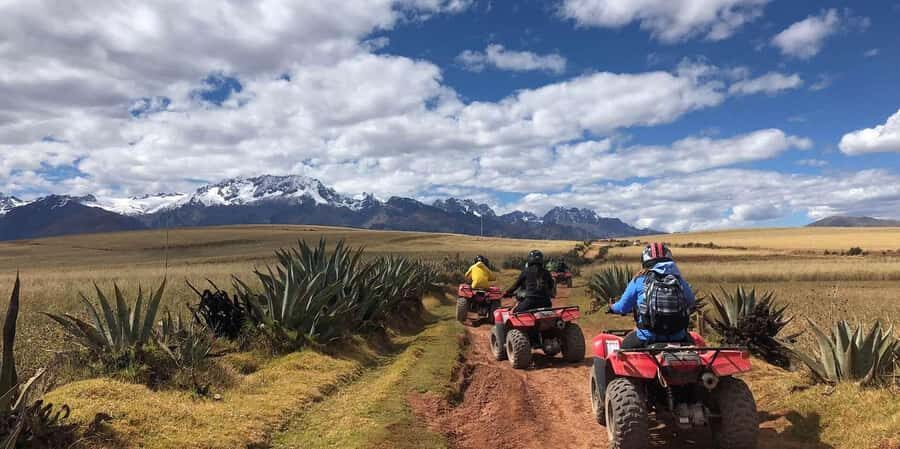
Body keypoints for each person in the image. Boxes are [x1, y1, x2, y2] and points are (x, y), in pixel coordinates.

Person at [608, 243, 696, 349]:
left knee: (623, 350)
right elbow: (691, 301)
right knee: (696, 348)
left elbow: (622, 307)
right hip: (679, 337)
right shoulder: (679, 280)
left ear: (645, 262)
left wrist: (612, 308)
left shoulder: (639, 280)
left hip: (647, 337)